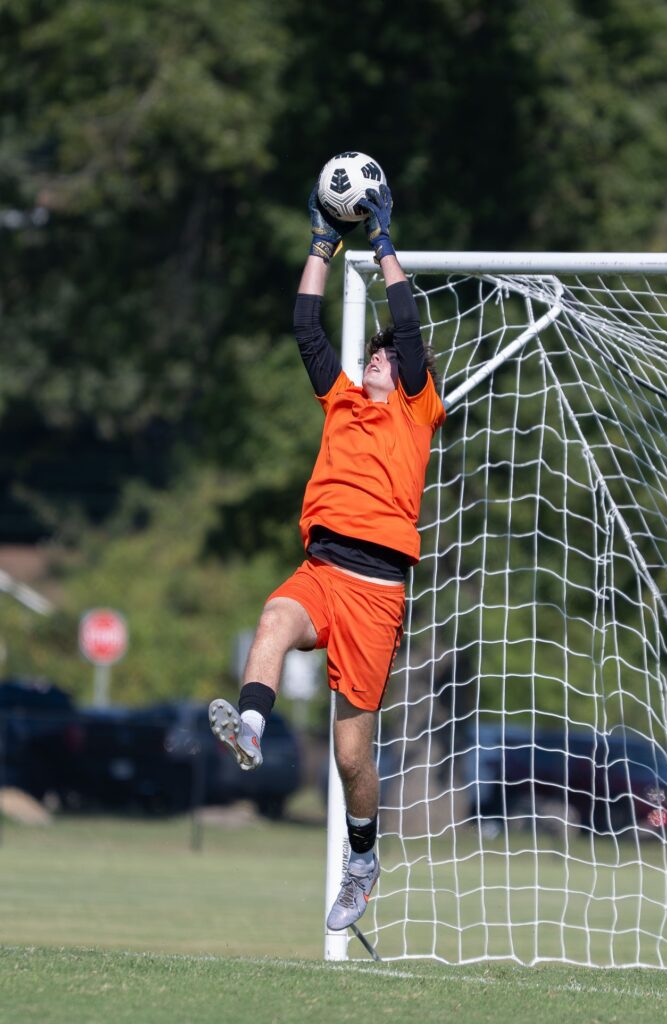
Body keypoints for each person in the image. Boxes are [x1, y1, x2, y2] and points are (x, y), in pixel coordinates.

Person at [209, 181, 445, 931]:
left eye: (385, 358)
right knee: (273, 617)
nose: (377, 361)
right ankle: (250, 725)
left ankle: (364, 859)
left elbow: (406, 325)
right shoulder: (340, 401)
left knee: (350, 760)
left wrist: (381, 240)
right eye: (371, 356)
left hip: (377, 590)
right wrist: (321, 240)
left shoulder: (415, 408)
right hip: (322, 569)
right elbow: (304, 324)